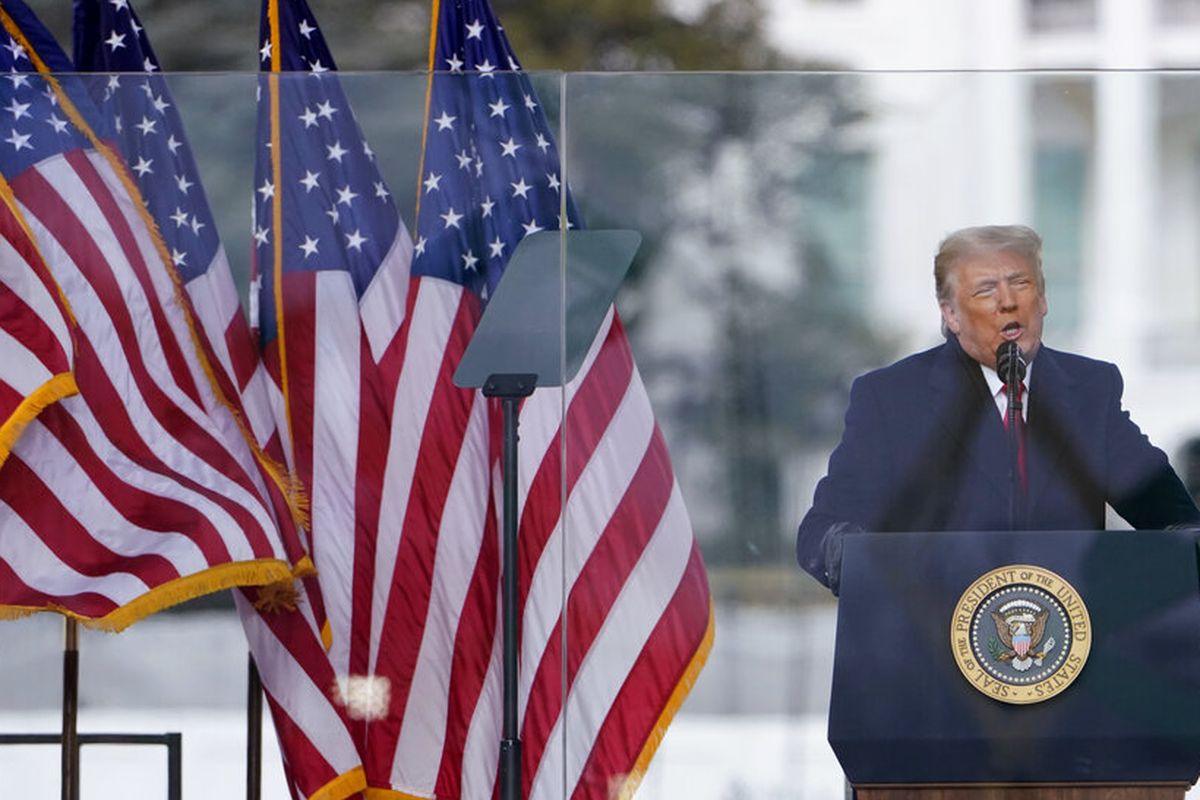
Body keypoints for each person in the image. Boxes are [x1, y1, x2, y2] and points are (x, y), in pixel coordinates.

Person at [796, 224, 1200, 594]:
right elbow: (822, 533)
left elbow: (1173, 518)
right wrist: (887, 566)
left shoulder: (1089, 391)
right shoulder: (891, 397)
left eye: (1021, 284)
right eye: (986, 290)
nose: (1008, 302)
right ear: (951, 314)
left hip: (1070, 649)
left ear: (1042, 300)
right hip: (931, 651)